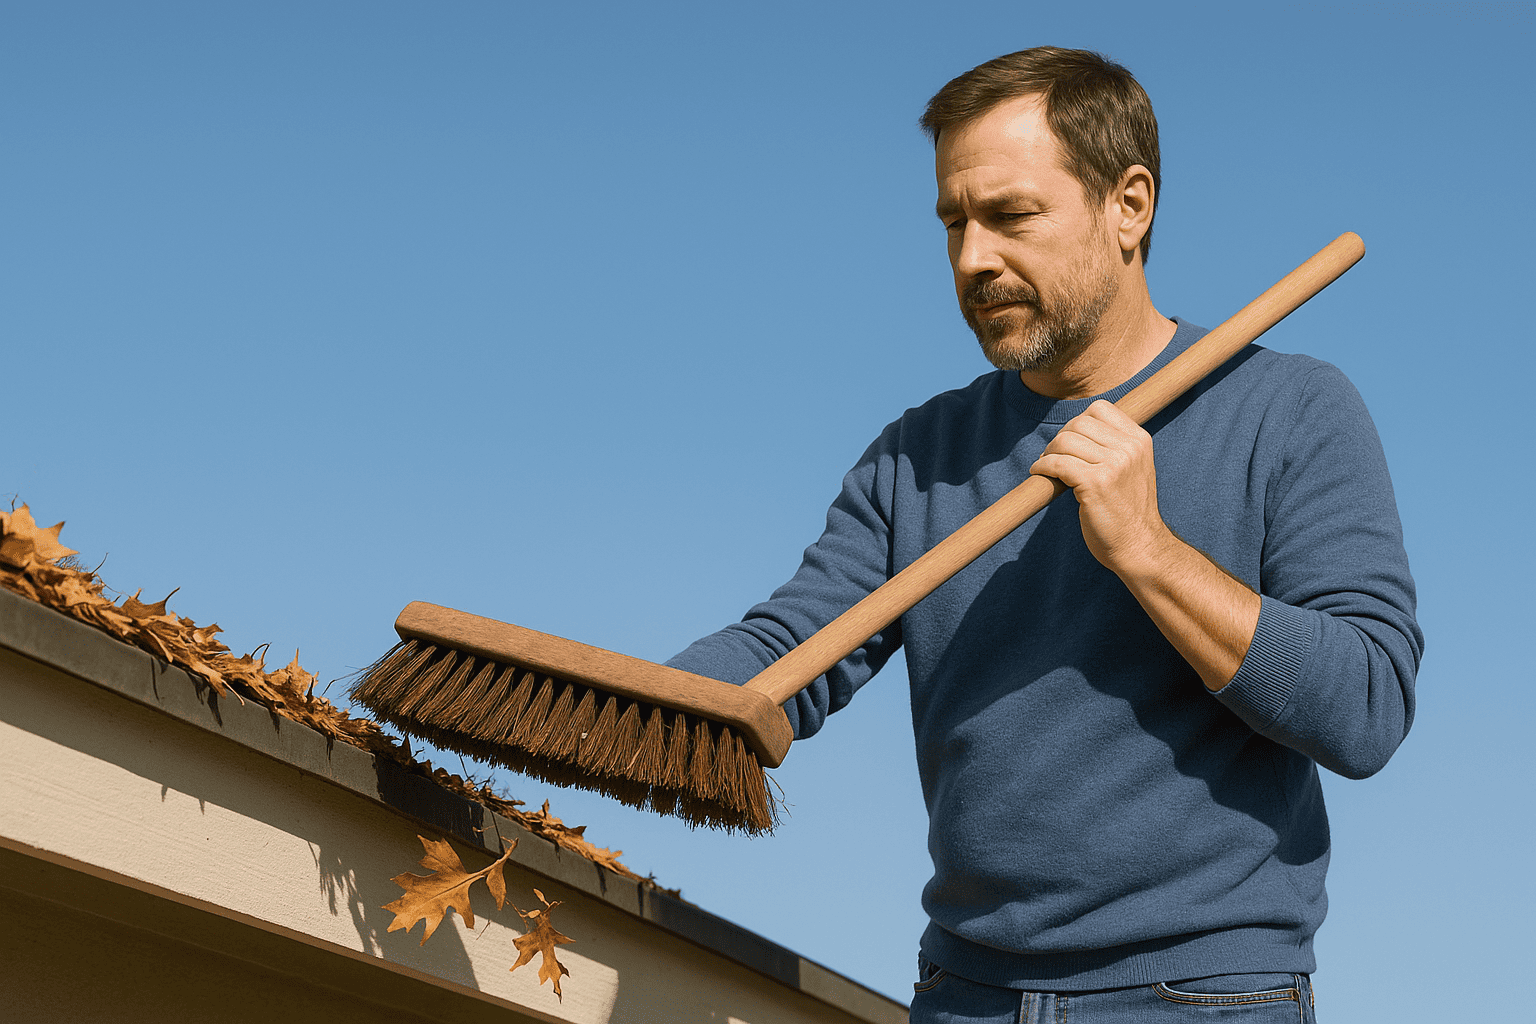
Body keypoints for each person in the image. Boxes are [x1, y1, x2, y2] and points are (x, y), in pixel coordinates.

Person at [667, 47, 1421, 1022]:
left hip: (1200, 996)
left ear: (1130, 206)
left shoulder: (1291, 410)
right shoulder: (919, 455)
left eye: (1011, 216)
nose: (973, 258)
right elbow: (791, 650)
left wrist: (1147, 549)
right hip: (961, 992)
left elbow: (1365, 708)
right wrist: (628, 702)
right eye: (953, 222)